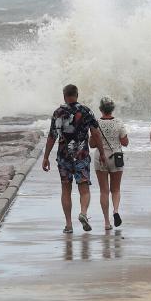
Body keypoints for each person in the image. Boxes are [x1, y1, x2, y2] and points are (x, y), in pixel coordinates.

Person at [42, 84, 103, 233]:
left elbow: (52, 136)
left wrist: (46, 157)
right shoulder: (86, 111)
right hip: (81, 156)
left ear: (64, 96)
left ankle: (68, 225)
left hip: (64, 157)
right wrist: (101, 152)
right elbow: (95, 133)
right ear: (77, 95)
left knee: (66, 189)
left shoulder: (58, 112)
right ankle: (83, 213)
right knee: (84, 189)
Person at [93, 96, 129, 230]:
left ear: (100, 109)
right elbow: (125, 142)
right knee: (116, 189)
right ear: (112, 108)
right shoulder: (119, 122)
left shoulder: (96, 123)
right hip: (116, 157)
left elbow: (91, 143)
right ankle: (115, 210)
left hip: (100, 158)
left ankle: (107, 222)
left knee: (104, 191)